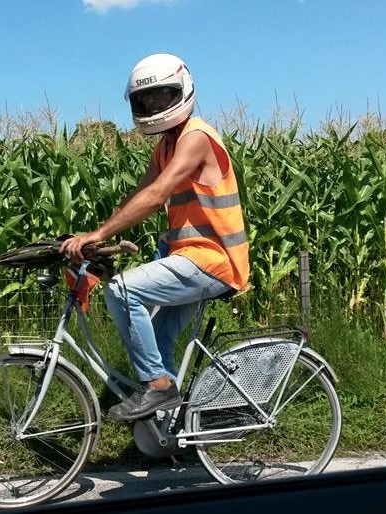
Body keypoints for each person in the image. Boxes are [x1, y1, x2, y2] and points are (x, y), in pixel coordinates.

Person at [60, 53, 249, 421]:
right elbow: (138, 194)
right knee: (160, 342)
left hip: (213, 261)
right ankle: (169, 431)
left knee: (122, 291)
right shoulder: (166, 145)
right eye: (146, 100)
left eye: (163, 97)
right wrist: (96, 236)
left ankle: (158, 388)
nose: (154, 106)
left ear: (183, 91)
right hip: (188, 258)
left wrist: (99, 232)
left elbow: (157, 195)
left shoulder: (196, 137)